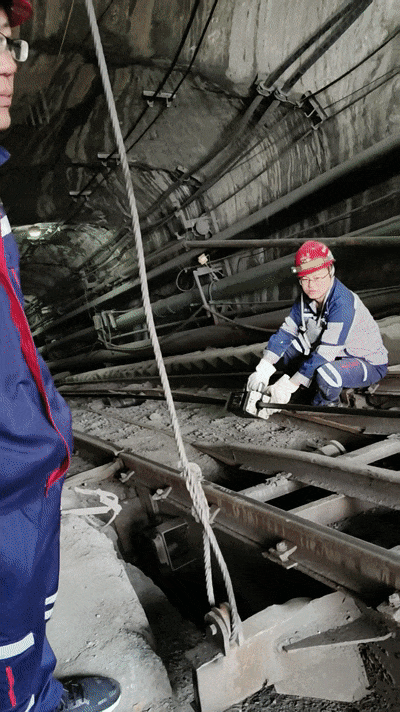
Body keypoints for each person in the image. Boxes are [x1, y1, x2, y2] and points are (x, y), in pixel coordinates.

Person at [0, 3, 121, 712]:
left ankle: (37, 692)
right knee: (6, 636)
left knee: (21, 620)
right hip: (8, 476)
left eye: (9, 43)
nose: (8, 64)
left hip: (22, 469)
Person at [247, 240, 388, 410]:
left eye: (317, 277)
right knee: (287, 353)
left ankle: (327, 406)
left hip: (367, 362)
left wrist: (290, 385)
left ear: (330, 271)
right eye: (305, 279)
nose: (311, 285)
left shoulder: (343, 304)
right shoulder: (305, 299)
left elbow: (325, 353)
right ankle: (300, 388)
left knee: (326, 374)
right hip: (339, 354)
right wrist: (263, 369)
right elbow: (286, 332)